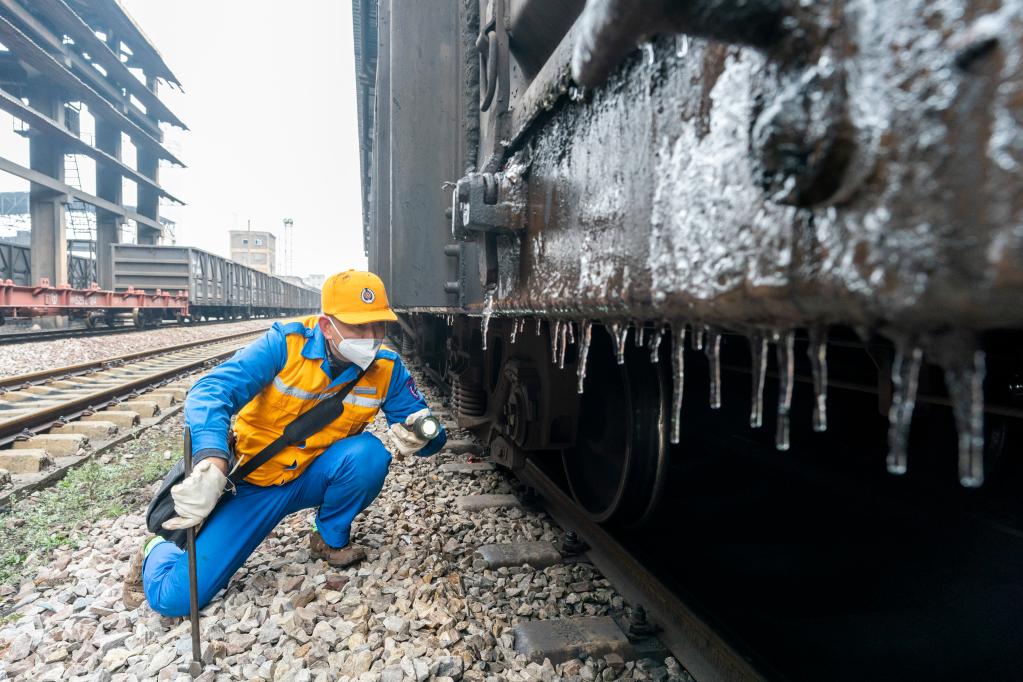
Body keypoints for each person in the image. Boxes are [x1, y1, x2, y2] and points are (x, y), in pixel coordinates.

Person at [121, 270, 445, 616]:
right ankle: (156, 548)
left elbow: (423, 427)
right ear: (326, 326)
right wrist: (213, 460)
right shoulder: (285, 345)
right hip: (253, 485)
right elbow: (210, 392)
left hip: (311, 477)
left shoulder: (387, 368)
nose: (370, 337)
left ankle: (328, 537)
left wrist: (425, 438)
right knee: (176, 600)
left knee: (369, 456)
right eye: (358, 327)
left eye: (378, 326)